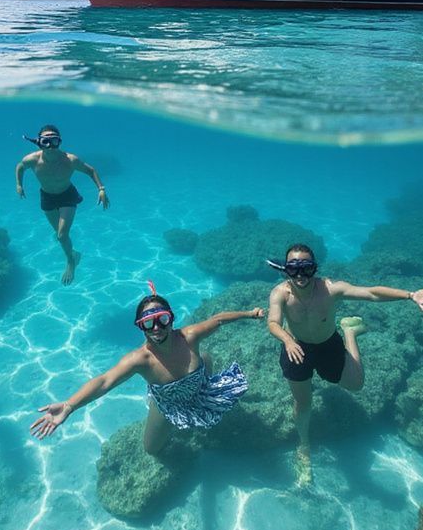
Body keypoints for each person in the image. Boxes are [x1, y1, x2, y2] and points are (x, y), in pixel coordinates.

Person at [266, 243, 423, 487]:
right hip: (295, 347)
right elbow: (273, 321)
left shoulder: (331, 289)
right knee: (303, 402)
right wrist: (287, 340)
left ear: (315, 269)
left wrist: (410, 295)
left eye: (306, 268)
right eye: (293, 269)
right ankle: (304, 444)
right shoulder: (280, 293)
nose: (300, 275)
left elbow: (371, 293)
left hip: (327, 344)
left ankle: (349, 331)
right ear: (286, 270)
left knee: (356, 384)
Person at [30, 283, 264, 454]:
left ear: (171, 319)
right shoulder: (139, 360)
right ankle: (162, 403)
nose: (156, 328)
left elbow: (219, 319)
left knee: (204, 357)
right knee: (152, 449)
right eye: (148, 323)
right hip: (169, 402)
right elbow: (104, 381)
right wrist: (70, 406)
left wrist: (250, 314)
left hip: (199, 384)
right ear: (140, 327)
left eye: (161, 319)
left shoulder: (189, 336)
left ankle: (203, 373)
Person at [15, 124, 109, 284]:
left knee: (61, 235)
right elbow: (20, 167)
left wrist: (101, 189)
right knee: (60, 236)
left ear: (60, 142)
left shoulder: (70, 160)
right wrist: (19, 184)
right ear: (39, 142)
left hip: (67, 196)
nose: (50, 145)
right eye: (46, 141)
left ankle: (71, 263)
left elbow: (90, 170)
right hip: (47, 197)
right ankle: (73, 253)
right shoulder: (31, 160)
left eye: (54, 140)